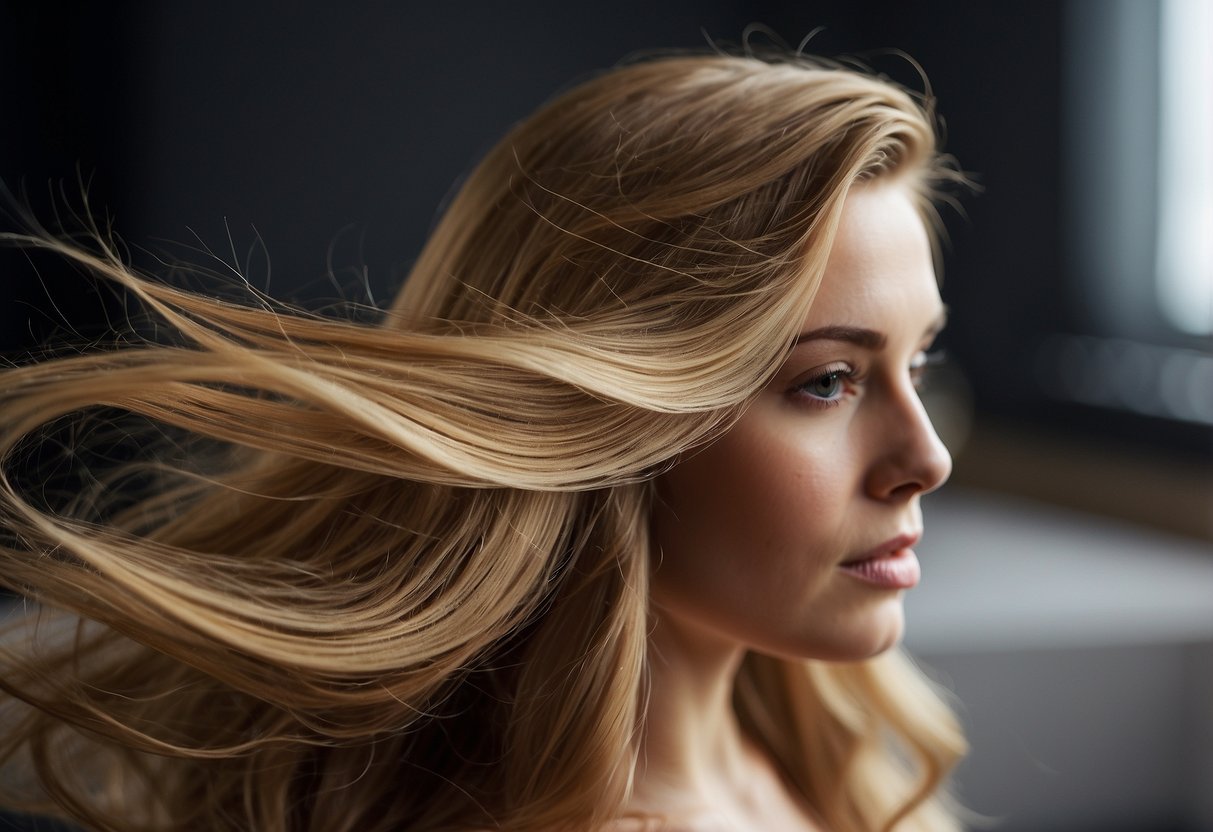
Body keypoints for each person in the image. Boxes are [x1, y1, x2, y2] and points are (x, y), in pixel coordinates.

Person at [0, 50, 969, 831]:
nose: (926, 457)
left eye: (915, 365)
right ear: (618, 422)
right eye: (827, 381)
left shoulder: (830, 756)